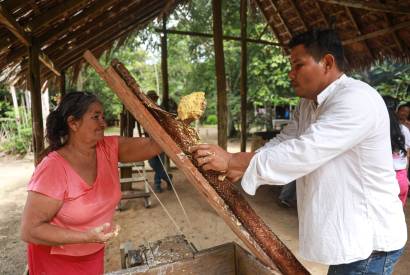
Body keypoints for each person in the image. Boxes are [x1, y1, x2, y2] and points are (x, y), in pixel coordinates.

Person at [189, 29, 407, 274]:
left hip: (370, 241)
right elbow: (286, 140)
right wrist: (241, 165)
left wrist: (234, 160)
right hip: (352, 237)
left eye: (298, 65)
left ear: (327, 63)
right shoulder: (308, 103)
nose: (291, 74)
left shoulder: (356, 99)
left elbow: (305, 151)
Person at [20, 91, 162, 275]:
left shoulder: (108, 149)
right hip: (56, 260)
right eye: (96, 117)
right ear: (73, 123)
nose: (103, 122)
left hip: (92, 253)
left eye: (103, 116)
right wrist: (86, 236)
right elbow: (29, 230)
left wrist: (180, 122)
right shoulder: (53, 168)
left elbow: (154, 145)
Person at [383, 96, 410, 205]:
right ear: (396, 110)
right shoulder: (403, 129)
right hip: (401, 177)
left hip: (383, 178)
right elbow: (407, 155)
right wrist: (405, 177)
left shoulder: (377, 128)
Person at [146, 90, 173, 192]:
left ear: (156, 99)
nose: (152, 100)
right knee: (152, 163)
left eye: (154, 98)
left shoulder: (160, 110)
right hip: (149, 141)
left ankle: (157, 184)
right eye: (150, 98)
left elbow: (167, 124)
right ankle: (168, 178)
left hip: (160, 141)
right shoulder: (144, 110)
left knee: (160, 163)